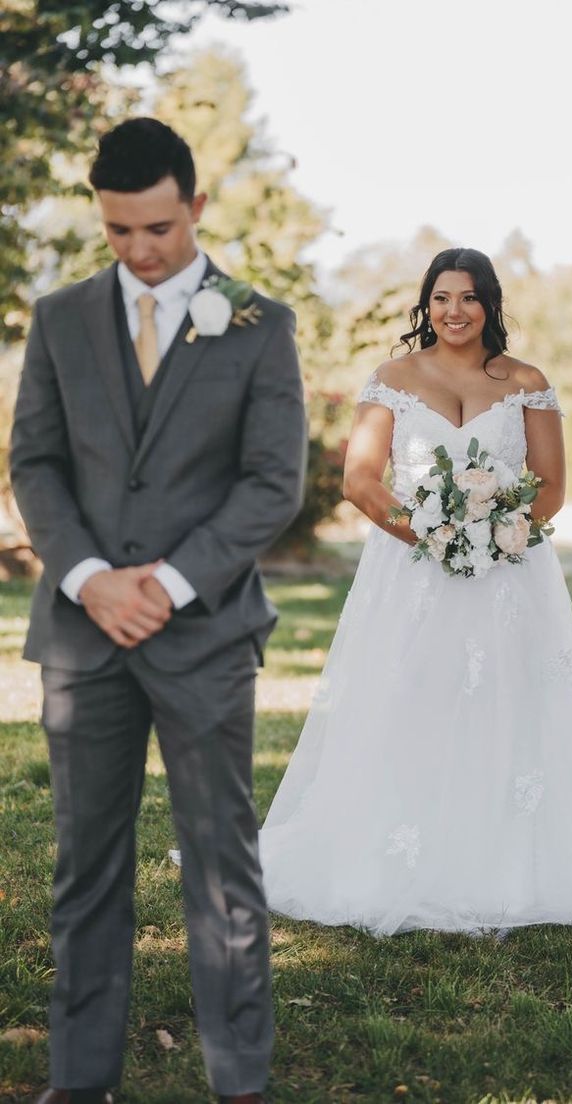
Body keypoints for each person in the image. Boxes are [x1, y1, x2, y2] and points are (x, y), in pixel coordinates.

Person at [259, 247, 572, 936]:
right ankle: (397, 854)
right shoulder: (391, 380)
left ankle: (505, 860)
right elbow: (360, 482)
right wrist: (434, 537)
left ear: (490, 305)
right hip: (411, 575)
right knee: (412, 701)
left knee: (511, 704)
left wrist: (495, 534)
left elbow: (552, 487)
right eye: (442, 298)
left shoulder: (527, 382)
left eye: (469, 298)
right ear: (425, 304)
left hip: (510, 575)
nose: (454, 311)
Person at [10, 117, 306, 1104]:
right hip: (81, 639)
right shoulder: (57, 320)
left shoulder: (260, 323)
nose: (140, 252)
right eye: (118, 232)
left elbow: (271, 483)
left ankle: (240, 1082)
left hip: (206, 634)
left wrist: (170, 585)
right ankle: (78, 1079)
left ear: (198, 208)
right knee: (85, 866)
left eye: (159, 230)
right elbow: (35, 465)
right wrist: (91, 577)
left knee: (223, 864)